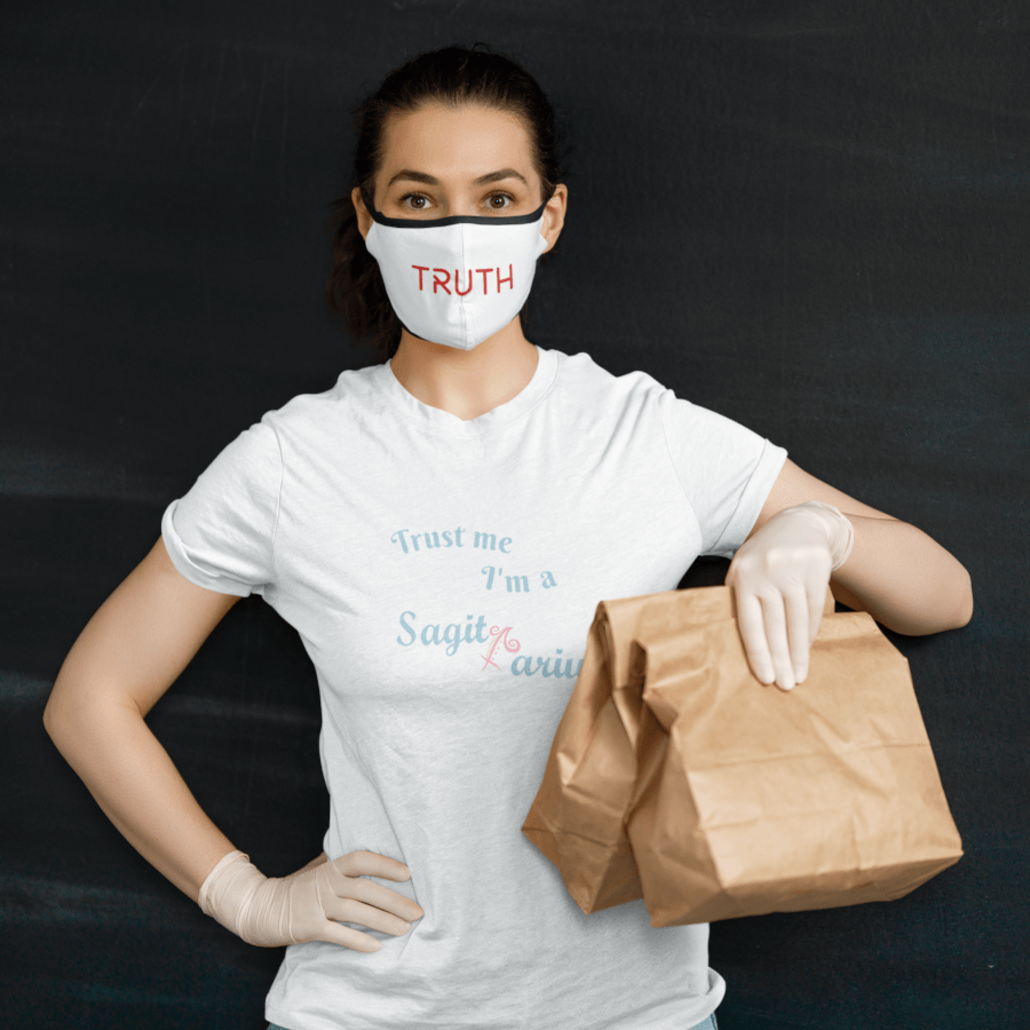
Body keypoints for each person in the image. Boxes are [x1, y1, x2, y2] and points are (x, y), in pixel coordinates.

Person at [43, 44, 973, 1030]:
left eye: (495, 199)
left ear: (550, 216)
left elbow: (942, 592)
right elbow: (90, 699)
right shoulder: (291, 462)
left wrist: (817, 532)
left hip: (639, 1015)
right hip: (369, 1010)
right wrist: (248, 895)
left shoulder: (640, 433)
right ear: (367, 217)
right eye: (416, 199)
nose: (456, 234)